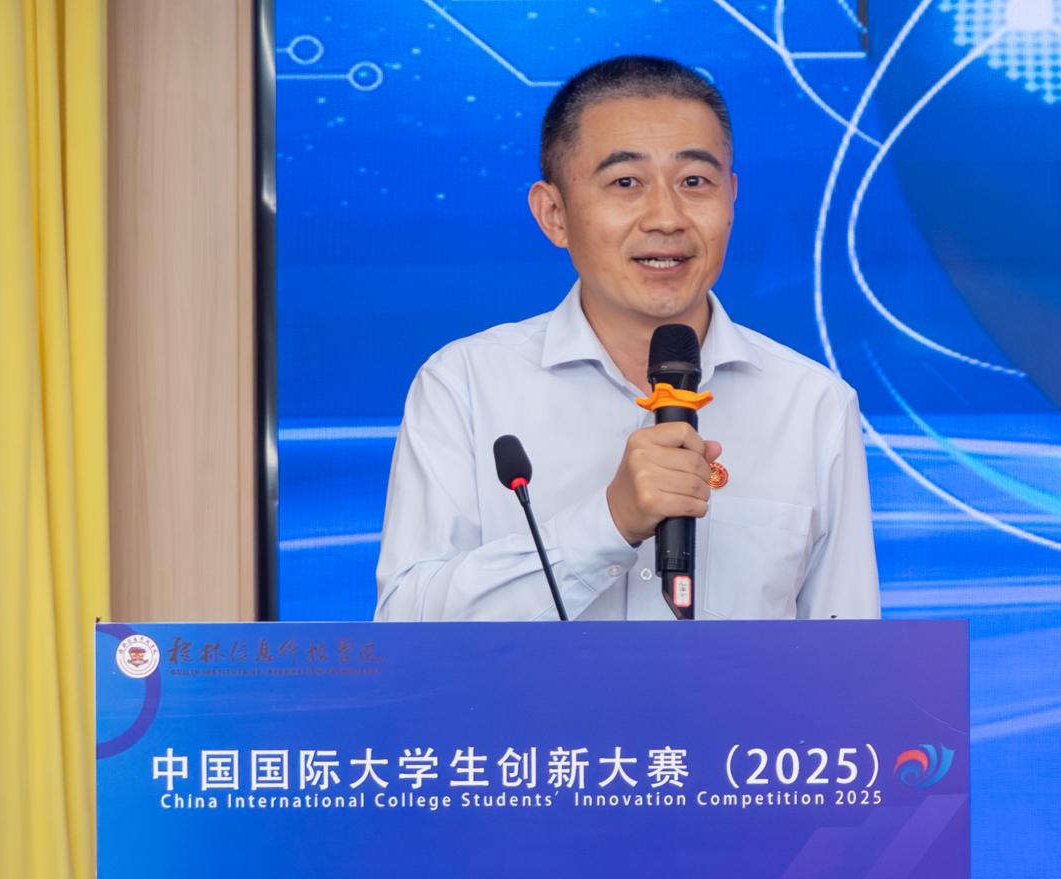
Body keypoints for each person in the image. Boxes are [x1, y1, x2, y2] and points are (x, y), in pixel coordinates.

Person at [375, 55, 878, 622]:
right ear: (554, 214)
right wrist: (608, 523)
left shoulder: (813, 404)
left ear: (731, 198)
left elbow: (851, 652)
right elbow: (405, 626)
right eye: (625, 183)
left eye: (694, 182)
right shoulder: (466, 386)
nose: (666, 217)